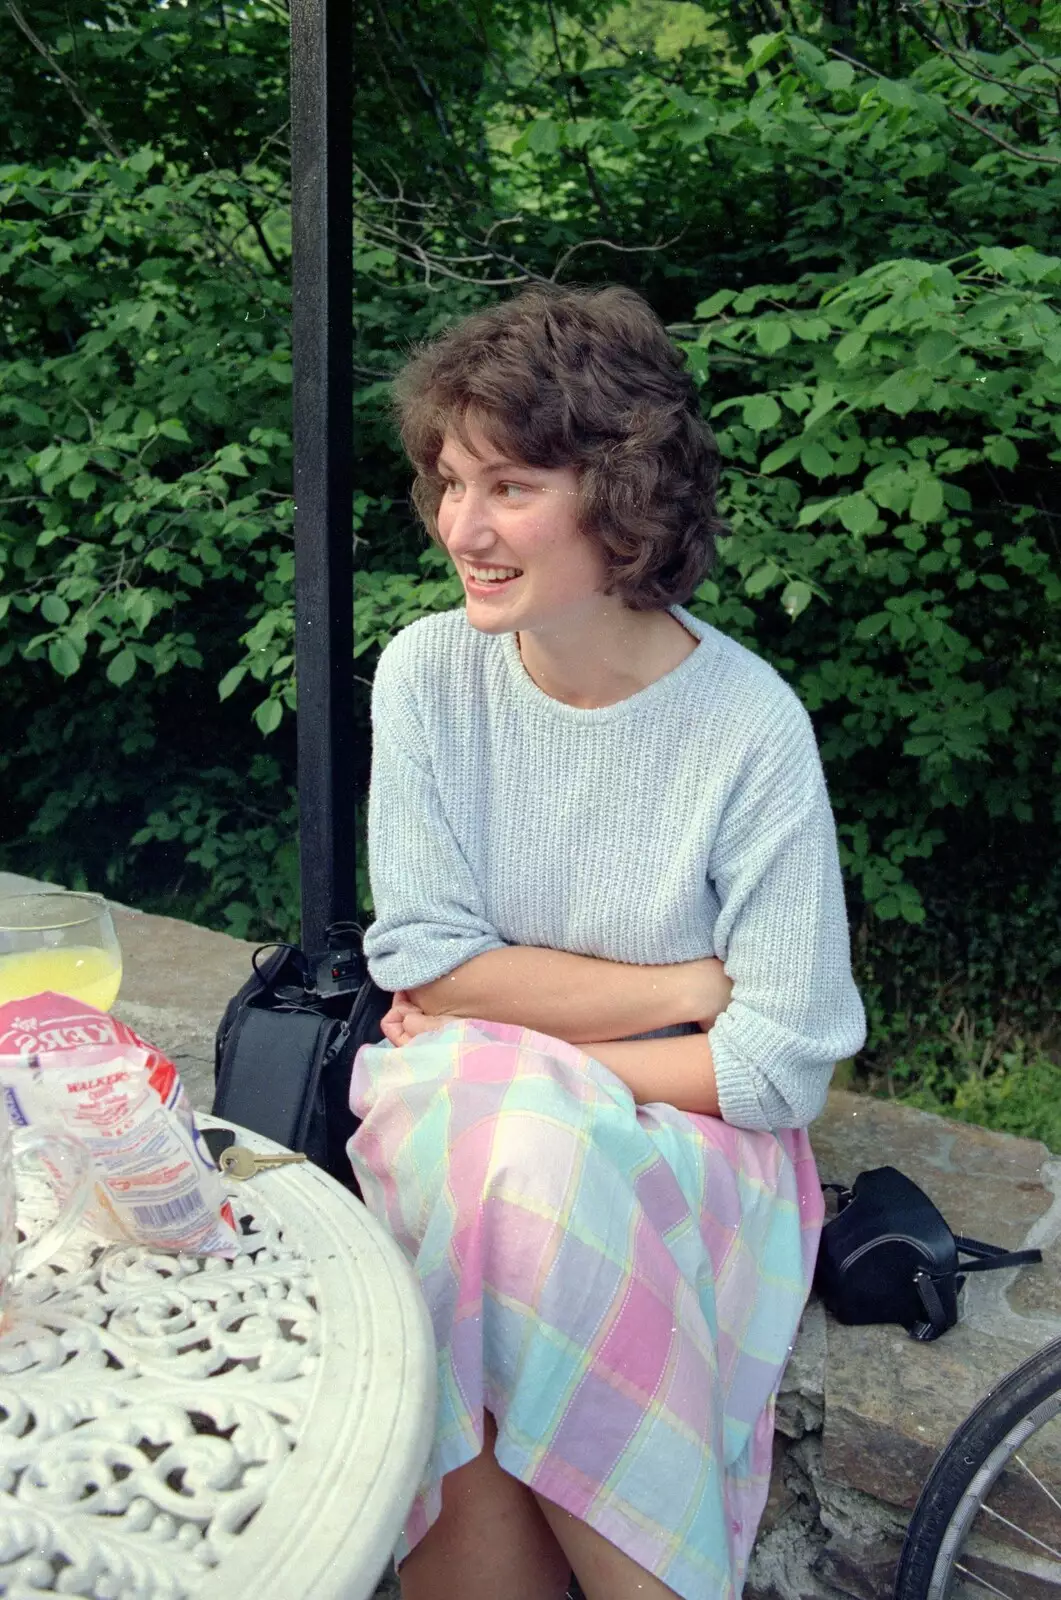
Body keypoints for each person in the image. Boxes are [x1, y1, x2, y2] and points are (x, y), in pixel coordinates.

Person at [347, 282, 866, 1600]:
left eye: (509, 485)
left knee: (514, 1162)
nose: (463, 525)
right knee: (503, 1156)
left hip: (691, 1145)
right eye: (450, 482)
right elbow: (424, 961)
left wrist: (526, 1052)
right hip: (479, 1117)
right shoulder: (426, 677)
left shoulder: (748, 729)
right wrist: (688, 989)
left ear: (621, 497)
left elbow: (773, 1072)